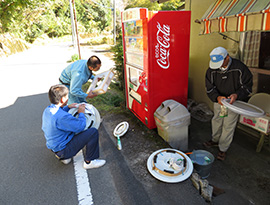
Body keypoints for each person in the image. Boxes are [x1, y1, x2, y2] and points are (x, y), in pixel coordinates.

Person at [204, 47, 253, 161]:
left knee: (228, 125)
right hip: (220, 101)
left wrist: (237, 95)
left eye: (221, 63)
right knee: (217, 120)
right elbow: (209, 88)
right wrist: (217, 97)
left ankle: (223, 148)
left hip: (233, 102)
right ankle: (215, 140)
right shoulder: (211, 70)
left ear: (227, 57)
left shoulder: (240, 68)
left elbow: (247, 86)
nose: (219, 67)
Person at [42, 84, 106, 169]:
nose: (68, 98)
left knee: (69, 129)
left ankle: (64, 157)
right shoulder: (63, 117)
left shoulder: (48, 110)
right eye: (67, 96)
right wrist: (81, 113)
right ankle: (90, 162)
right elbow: (81, 126)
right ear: (62, 99)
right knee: (92, 132)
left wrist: (68, 107)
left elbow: (59, 113)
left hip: (55, 147)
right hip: (64, 150)